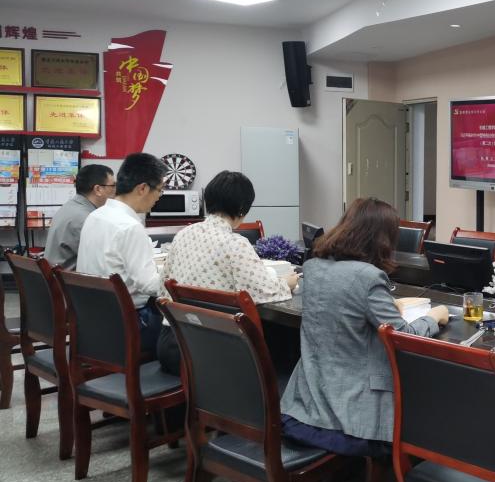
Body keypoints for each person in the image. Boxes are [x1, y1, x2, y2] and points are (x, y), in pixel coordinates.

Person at [280, 197, 449, 456]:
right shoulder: (368, 277)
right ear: (382, 239)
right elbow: (403, 337)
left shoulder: (312, 268)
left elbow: (342, 307)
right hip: (353, 420)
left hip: (306, 406)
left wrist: (387, 306)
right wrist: (434, 317)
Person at [156, 170, 299, 375]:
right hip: (211, 353)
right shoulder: (235, 243)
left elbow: (162, 288)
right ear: (242, 209)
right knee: (284, 342)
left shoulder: (183, 235)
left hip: (172, 344)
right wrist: (287, 283)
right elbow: (261, 292)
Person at [77, 153, 168, 355]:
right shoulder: (130, 227)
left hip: (93, 321)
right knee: (186, 337)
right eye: (159, 190)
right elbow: (150, 286)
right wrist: (175, 273)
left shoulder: (95, 216)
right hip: (129, 326)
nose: (159, 197)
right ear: (142, 188)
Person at [42, 163, 115, 270]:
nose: (115, 191)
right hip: (71, 278)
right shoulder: (86, 219)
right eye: (112, 186)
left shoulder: (70, 207)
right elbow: (102, 262)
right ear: (98, 189)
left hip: (57, 275)